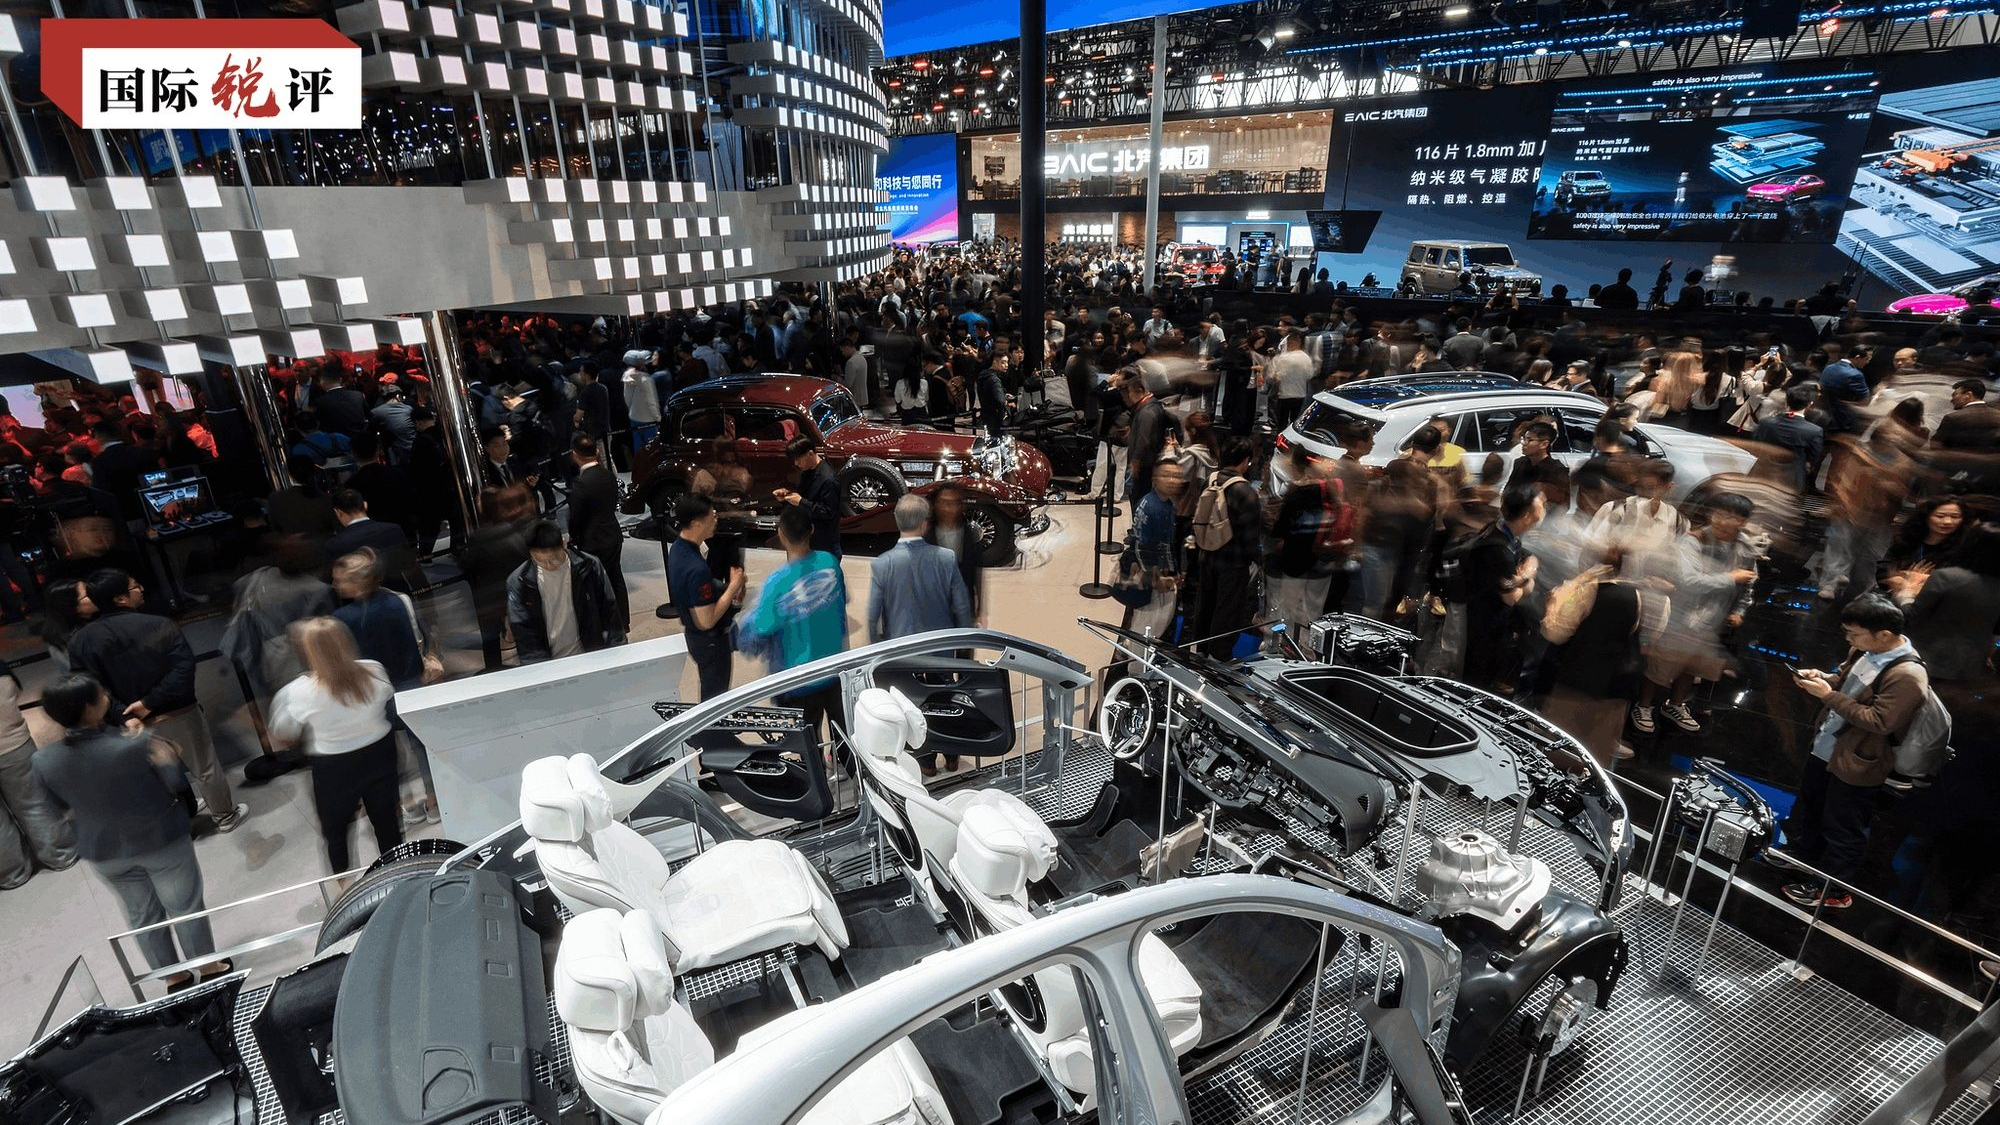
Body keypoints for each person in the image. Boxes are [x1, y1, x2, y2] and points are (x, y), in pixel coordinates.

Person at [34, 674, 231, 987]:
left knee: (141, 915)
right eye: (100, 693)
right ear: (89, 708)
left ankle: (173, 977)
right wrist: (164, 755)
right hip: (160, 839)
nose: (106, 695)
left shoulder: (43, 760)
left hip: (103, 850)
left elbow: (55, 806)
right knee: (184, 907)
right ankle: (208, 967)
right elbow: (176, 783)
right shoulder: (134, 745)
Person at [1781, 596, 1929, 909]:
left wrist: (1828, 696)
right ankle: (1804, 859)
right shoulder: (1864, 650)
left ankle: (1835, 891)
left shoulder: (1907, 676)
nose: (1849, 640)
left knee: (1844, 827)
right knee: (1812, 807)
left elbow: (1880, 721)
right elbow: (1844, 682)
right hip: (1827, 747)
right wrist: (1821, 678)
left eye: (1855, 634)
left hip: (1859, 761)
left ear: (1884, 635)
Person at [69, 569, 245, 831]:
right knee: (205, 767)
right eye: (134, 586)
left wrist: (123, 713)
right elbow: (183, 669)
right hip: (178, 712)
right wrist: (149, 702)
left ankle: (178, 825)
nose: (141, 589)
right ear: (120, 598)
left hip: (128, 725)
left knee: (155, 778)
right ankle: (225, 817)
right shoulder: (158, 624)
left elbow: (90, 686)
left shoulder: (81, 641)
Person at [267, 618, 403, 874]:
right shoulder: (374, 670)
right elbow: (387, 697)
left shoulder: (297, 692)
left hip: (333, 768)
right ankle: (399, 875)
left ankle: (345, 885)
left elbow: (284, 733)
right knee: (388, 824)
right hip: (380, 755)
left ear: (308, 651)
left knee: (336, 831)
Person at [1630, 493, 1757, 735]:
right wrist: (1730, 578)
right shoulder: (1693, 541)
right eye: (1718, 513)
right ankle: (1643, 706)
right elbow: (1689, 581)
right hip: (1682, 616)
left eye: (1730, 517)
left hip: (1715, 620)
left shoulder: (1745, 548)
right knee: (1661, 667)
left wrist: (1739, 610)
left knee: (1693, 666)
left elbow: (1748, 583)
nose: (1721, 520)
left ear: (1742, 521)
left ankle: (1675, 705)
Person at [867, 495, 973, 775]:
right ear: (925, 523)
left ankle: (926, 763)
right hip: (941, 654)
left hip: (903, 656)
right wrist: (963, 651)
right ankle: (952, 756)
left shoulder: (882, 564)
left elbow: (873, 617)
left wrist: (878, 654)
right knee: (945, 702)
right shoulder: (945, 558)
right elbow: (962, 607)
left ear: (896, 521)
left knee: (912, 708)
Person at [737, 506, 848, 747]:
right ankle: (847, 765)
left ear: (781, 534)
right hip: (835, 669)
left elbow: (760, 630)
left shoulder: (777, 582)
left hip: (799, 681)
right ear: (812, 530)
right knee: (844, 736)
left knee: (809, 746)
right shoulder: (830, 563)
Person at [0, 658, 76, 889]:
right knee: (34, 803)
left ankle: (12, 874)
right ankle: (60, 854)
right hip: (12, 743)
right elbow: (11, 692)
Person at [1463, 486, 1546, 693]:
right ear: (1527, 515)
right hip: (1484, 626)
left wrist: (1525, 573)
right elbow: (1511, 597)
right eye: (1541, 506)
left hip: (1489, 623)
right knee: (1477, 681)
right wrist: (1528, 580)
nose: (1545, 510)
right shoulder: (1498, 550)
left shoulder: (1499, 529)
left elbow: (1529, 557)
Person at [1185, 439, 1263, 659]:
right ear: (1245, 461)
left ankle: (1201, 650)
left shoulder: (1211, 480)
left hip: (1207, 555)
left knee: (1205, 604)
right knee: (1228, 609)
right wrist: (1258, 561)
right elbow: (1250, 537)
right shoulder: (1246, 491)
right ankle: (1219, 655)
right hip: (1233, 563)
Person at [508, 520, 624, 664]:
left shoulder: (589, 567)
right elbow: (524, 635)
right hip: (548, 665)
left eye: (553, 559)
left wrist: (617, 656)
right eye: (540, 561)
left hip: (592, 657)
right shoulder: (520, 581)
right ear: (531, 553)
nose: (549, 566)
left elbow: (610, 614)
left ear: (564, 544)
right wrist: (538, 670)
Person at [668, 494, 746, 704]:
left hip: (697, 639)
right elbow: (706, 620)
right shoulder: (696, 568)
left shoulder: (678, 548)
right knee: (715, 700)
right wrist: (733, 587)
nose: (716, 520)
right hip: (710, 642)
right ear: (696, 523)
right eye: (712, 516)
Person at [332, 549, 426, 690]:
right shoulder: (399, 599)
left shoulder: (343, 617)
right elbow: (418, 635)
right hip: (413, 677)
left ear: (358, 582)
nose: (334, 585)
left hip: (375, 687)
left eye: (340, 581)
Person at [567, 434, 628, 629]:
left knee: (596, 582)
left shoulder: (581, 482)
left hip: (593, 540)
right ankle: (623, 621)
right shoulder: (608, 475)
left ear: (575, 454)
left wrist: (573, 537)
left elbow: (576, 516)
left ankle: (606, 623)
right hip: (613, 534)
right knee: (616, 576)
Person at [1127, 461, 1187, 642]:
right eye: (1166, 475)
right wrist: (1156, 577)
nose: (1172, 481)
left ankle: (1132, 648)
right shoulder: (1153, 507)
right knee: (1151, 623)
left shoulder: (1161, 503)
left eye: (1176, 476)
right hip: (1155, 576)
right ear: (1154, 478)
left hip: (1159, 572)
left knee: (1150, 620)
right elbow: (1143, 545)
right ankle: (1136, 657)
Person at [325, 488, 416, 591]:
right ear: (365, 505)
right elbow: (409, 565)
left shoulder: (334, 545)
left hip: (362, 599)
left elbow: (334, 583)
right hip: (399, 592)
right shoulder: (394, 529)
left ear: (338, 512)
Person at [774, 437, 846, 556]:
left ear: (810, 454)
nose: (796, 464)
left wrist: (801, 501)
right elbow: (804, 497)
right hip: (807, 542)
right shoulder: (807, 472)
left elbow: (828, 512)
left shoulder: (828, 480)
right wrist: (787, 496)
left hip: (824, 546)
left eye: (798, 459)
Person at [925, 483, 986, 622]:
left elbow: (977, 573)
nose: (948, 508)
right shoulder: (927, 538)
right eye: (943, 502)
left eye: (953, 503)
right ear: (935, 505)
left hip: (964, 608)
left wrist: (980, 608)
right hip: (934, 609)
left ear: (960, 506)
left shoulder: (970, 536)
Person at [1750, 384, 1825, 493]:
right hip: (1791, 480)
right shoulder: (1814, 431)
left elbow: (1755, 446)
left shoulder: (1765, 423)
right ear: (1809, 404)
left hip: (1761, 474)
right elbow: (1813, 458)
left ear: (1786, 402)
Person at [622, 350, 662, 450]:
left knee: (638, 446)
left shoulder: (627, 377)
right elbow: (651, 401)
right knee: (652, 447)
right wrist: (658, 418)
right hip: (648, 419)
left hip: (634, 417)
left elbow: (627, 398)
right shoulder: (646, 379)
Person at [369, 385, 415, 464]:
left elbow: (371, 431)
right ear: (398, 396)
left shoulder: (376, 412)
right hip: (414, 449)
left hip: (396, 456)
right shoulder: (408, 409)